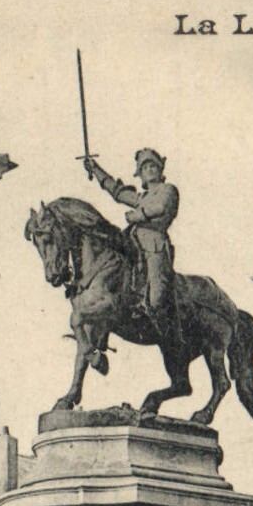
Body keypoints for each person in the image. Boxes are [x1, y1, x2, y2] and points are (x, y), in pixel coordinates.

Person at [83, 148, 183, 353]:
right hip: (132, 242)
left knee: (156, 298)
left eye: (153, 166)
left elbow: (162, 207)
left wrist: (139, 215)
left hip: (154, 247)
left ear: (160, 169)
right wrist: (96, 169)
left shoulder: (168, 190)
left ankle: (168, 336)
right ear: (140, 174)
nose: (149, 170)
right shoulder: (141, 197)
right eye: (145, 168)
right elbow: (118, 193)